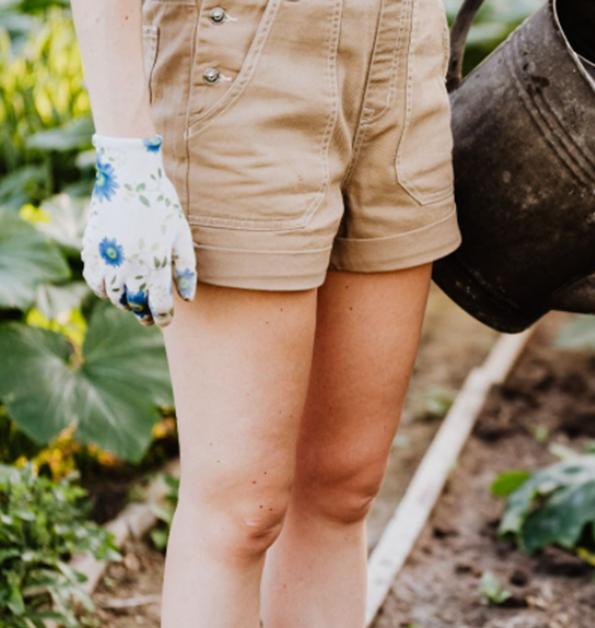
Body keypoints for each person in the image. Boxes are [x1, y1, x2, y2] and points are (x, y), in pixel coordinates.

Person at [70, 0, 461, 625]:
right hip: (244, 56)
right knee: (240, 512)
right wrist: (124, 150)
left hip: (403, 48)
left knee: (345, 485)